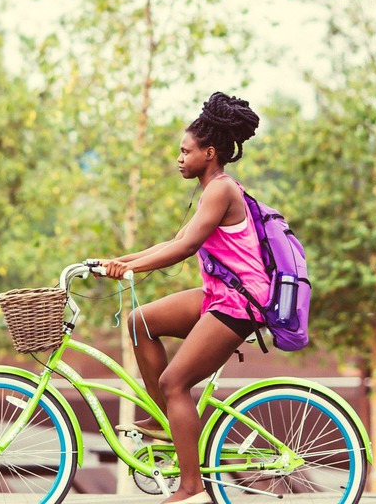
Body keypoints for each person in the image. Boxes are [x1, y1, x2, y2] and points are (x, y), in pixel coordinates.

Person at [100, 92, 266, 504]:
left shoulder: (222, 190)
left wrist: (132, 268)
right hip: (219, 295)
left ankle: (192, 488)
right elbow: (174, 241)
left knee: (174, 381)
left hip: (239, 302)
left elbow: (186, 248)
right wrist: (116, 262)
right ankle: (168, 422)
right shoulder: (211, 190)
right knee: (140, 322)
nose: (179, 158)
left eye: (185, 151)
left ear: (209, 153)